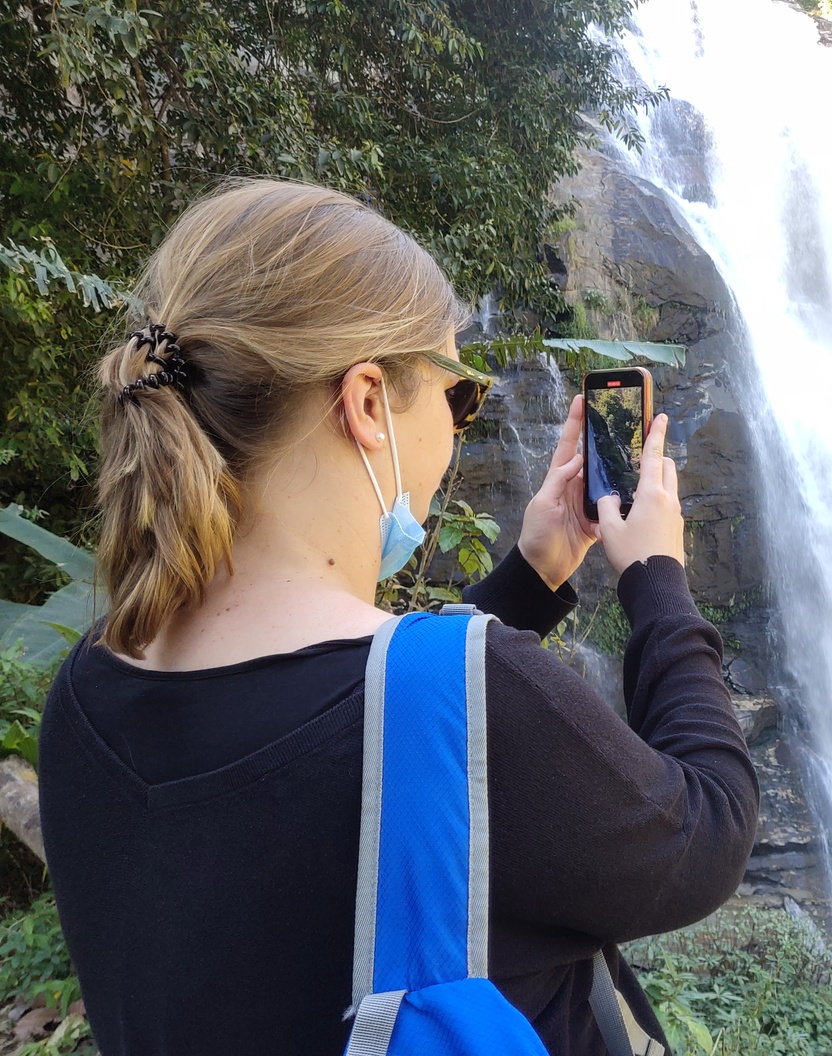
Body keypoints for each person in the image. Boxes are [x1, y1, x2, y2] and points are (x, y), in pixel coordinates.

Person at [37, 178, 759, 1055]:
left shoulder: (86, 694)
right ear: (369, 403)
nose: (456, 434)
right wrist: (656, 574)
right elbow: (708, 830)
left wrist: (534, 576)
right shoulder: (482, 690)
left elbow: (354, 722)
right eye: (458, 398)